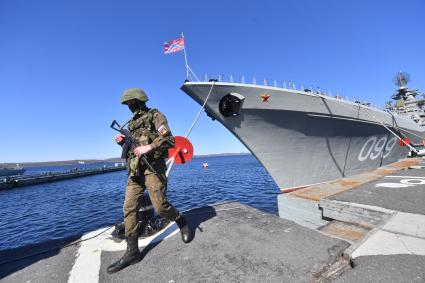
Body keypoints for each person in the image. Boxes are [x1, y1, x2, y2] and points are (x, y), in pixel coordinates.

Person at [107, 88, 192, 274]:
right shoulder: (132, 123)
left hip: (153, 169)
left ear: (138, 101)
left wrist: (149, 147)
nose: (129, 106)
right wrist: (123, 142)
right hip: (135, 170)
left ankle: (181, 220)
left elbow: (169, 140)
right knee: (129, 208)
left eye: (130, 103)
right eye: (127, 104)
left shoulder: (156, 116)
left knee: (160, 206)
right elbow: (133, 146)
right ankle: (132, 252)